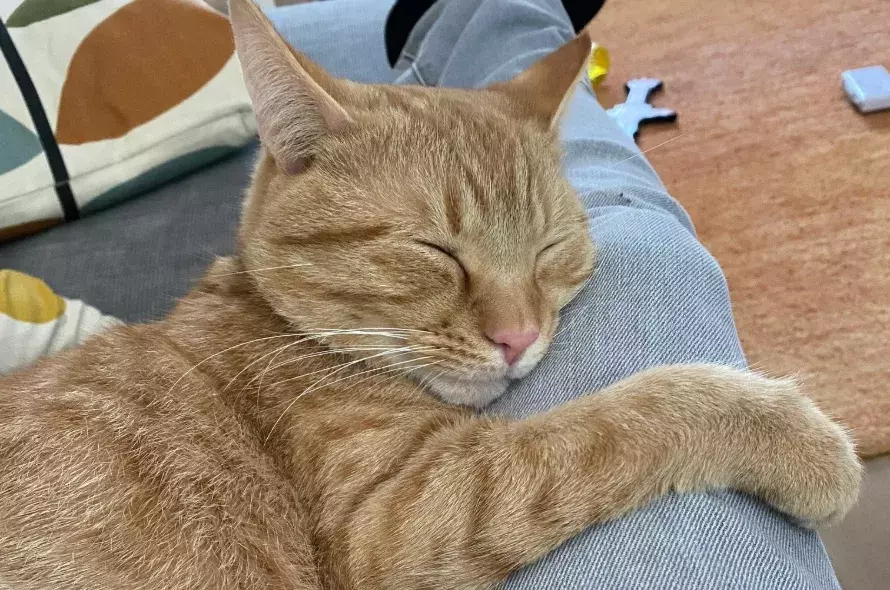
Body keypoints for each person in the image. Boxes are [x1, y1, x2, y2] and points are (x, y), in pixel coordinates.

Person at [274, 0, 843, 587]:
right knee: (646, 245)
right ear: (298, 151)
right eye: (435, 256)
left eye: (548, 254)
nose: (518, 329)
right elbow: (388, 553)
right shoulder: (248, 378)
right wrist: (702, 420)